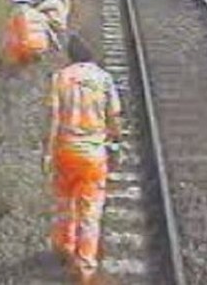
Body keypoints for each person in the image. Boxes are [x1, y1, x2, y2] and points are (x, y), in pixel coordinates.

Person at [43, 35, 123, 284]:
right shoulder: (104, 78)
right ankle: (85, 266)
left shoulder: (60, 78)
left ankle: (64, 247)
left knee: (64, 203)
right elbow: (114, 117)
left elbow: (54, 118)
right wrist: (115, 142)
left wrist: (48, 151)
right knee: (89, 211)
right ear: (91, 55)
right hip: (92, 156)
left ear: (70, 56)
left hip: (65, 151)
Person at [2, 0, 52, 66]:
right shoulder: (38, 14)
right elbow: (48, 30)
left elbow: (9, 37)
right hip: (42, 45)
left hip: (27, 47)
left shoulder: (16, 17)